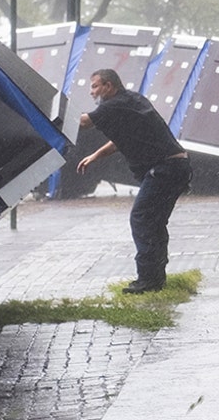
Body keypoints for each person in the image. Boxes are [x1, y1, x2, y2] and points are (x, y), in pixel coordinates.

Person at [76, 68, 192, 294]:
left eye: (95, 86)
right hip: (176, 167)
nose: (92, 93)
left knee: (142, 218)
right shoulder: (131, 100)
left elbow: (83, 123)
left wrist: (48, 113)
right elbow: (120, 140)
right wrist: (95, 156)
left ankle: (148, 280)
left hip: (165, 169)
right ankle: (155, 278)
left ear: (109, 86)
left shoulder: (114, 105)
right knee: (154, 222)